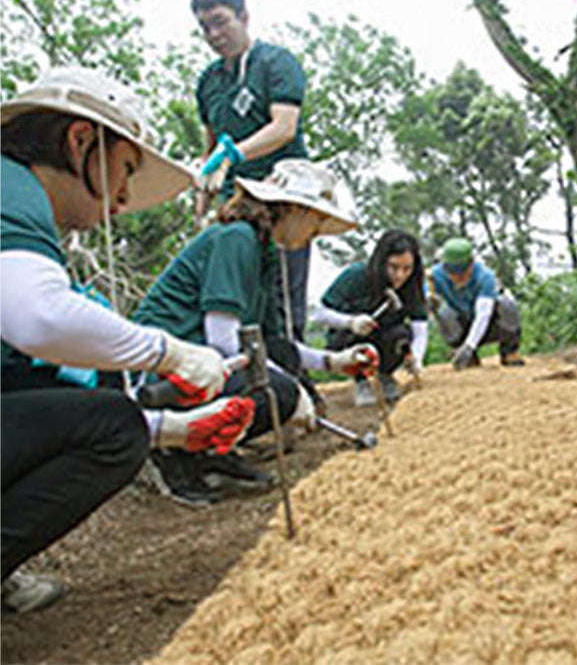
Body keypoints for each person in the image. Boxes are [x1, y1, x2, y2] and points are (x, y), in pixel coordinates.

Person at [0, 68, 255, 613]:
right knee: (112, 427)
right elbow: (38, 319)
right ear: (80, 141)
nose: (122, 198)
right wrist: (172, 352)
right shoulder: (11, 190)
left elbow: (26, 392)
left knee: (108, 414)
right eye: (126, 170)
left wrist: (170, 430)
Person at [133, 158, 378, 504]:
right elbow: (222, 341)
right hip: (165, 373)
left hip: (205, 365)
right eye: (316, 220)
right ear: (293, 209)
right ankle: (173, 453)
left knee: (280, 370)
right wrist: (294, 392)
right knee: (279, 392)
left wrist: (334, 362)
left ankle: (210, 452)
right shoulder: (237, 239)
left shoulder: (265, 255)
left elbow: (275, 344)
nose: (316, 232)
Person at [190, 0, 313, 343]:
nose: (214, 34)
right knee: (243, 293)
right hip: (237, 203)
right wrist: (202, 194)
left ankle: (297, 376)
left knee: (286, 296)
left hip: (284, 196)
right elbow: (209, 146)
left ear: (244, 16)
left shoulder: (276, 62)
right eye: (204, 27)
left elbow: (284, 127)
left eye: (220, 21)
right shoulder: (208, 81)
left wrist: (233, 155)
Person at [315, 230, 429, 408]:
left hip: (387, 336)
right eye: (393, 267)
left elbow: (420, 327)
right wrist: (350, 322)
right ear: (381, 262)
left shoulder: (413, 285)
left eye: (407, 269)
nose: (400, 275)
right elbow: (320, 313)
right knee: (349, 338)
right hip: (352, 338)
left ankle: (385, 375)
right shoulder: (355, 276)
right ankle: (361, 382)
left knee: (401, 335)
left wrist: (417, 358)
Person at [428, 237, 524, 370]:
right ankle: (466, 355)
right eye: (451, 271)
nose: (456, 277)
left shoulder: (485, 277)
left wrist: (469, 346)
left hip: (491, 323)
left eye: (461, 271)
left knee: (507, 304)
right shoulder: (434, 276)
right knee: (443, 312)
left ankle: (509, 351)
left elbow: (483, 315)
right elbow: (423, 302)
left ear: (471, 264)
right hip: (462, 323)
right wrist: (429, 303)